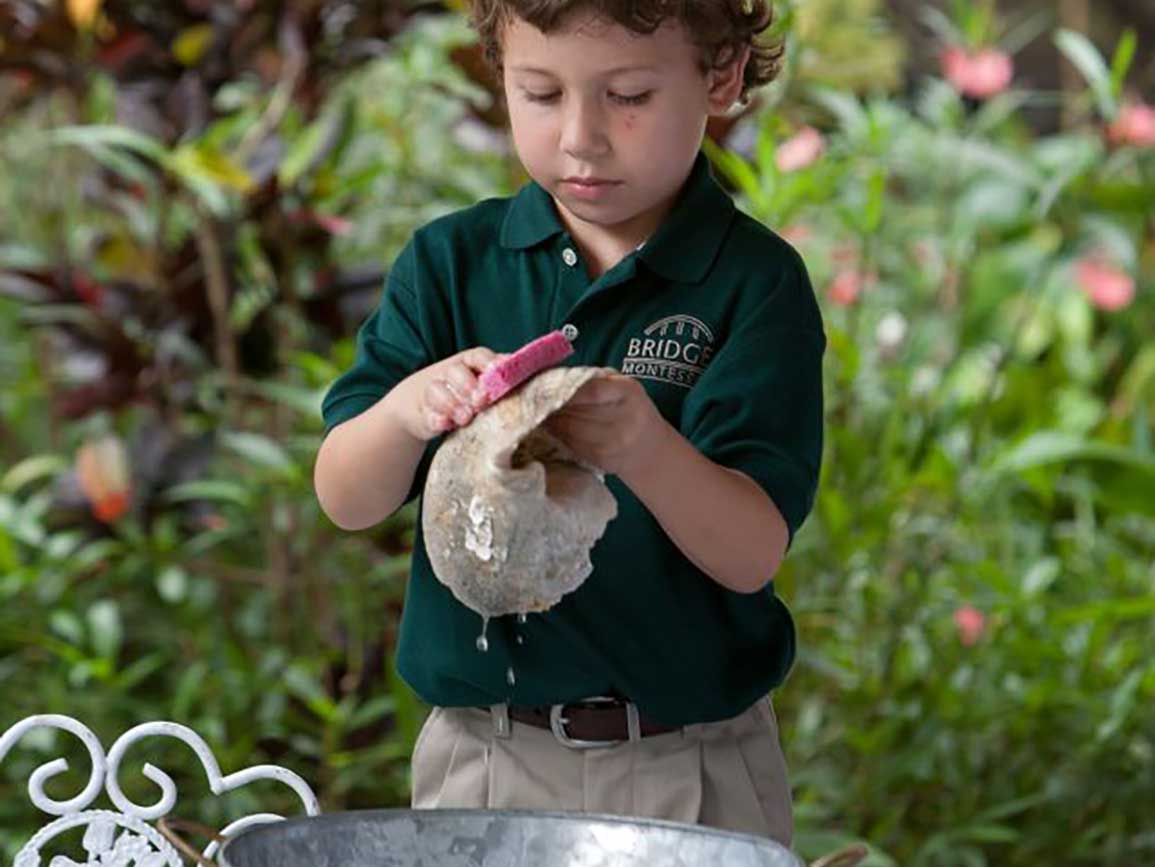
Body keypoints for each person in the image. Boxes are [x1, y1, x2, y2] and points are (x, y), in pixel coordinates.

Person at [313, 0, 825, 848]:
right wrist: (408, 411)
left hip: (690, 766)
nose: (581, 137)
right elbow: (345, 497)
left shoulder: (754, 283)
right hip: (485, 755)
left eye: (627, 95)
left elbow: (750, 553)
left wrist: (645, 446)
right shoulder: (450, 262)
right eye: (540, 93)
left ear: (722, 75)